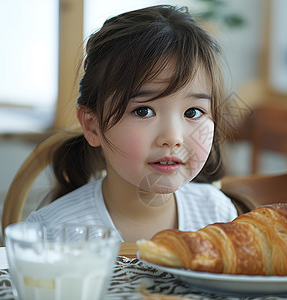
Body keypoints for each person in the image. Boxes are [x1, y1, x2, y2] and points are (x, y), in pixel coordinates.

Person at [25, 5, 238, 242]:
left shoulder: (218, 215)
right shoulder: (52, 232)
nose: (173, 137)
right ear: (92, 126)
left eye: (193, 112)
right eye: (143, 111)